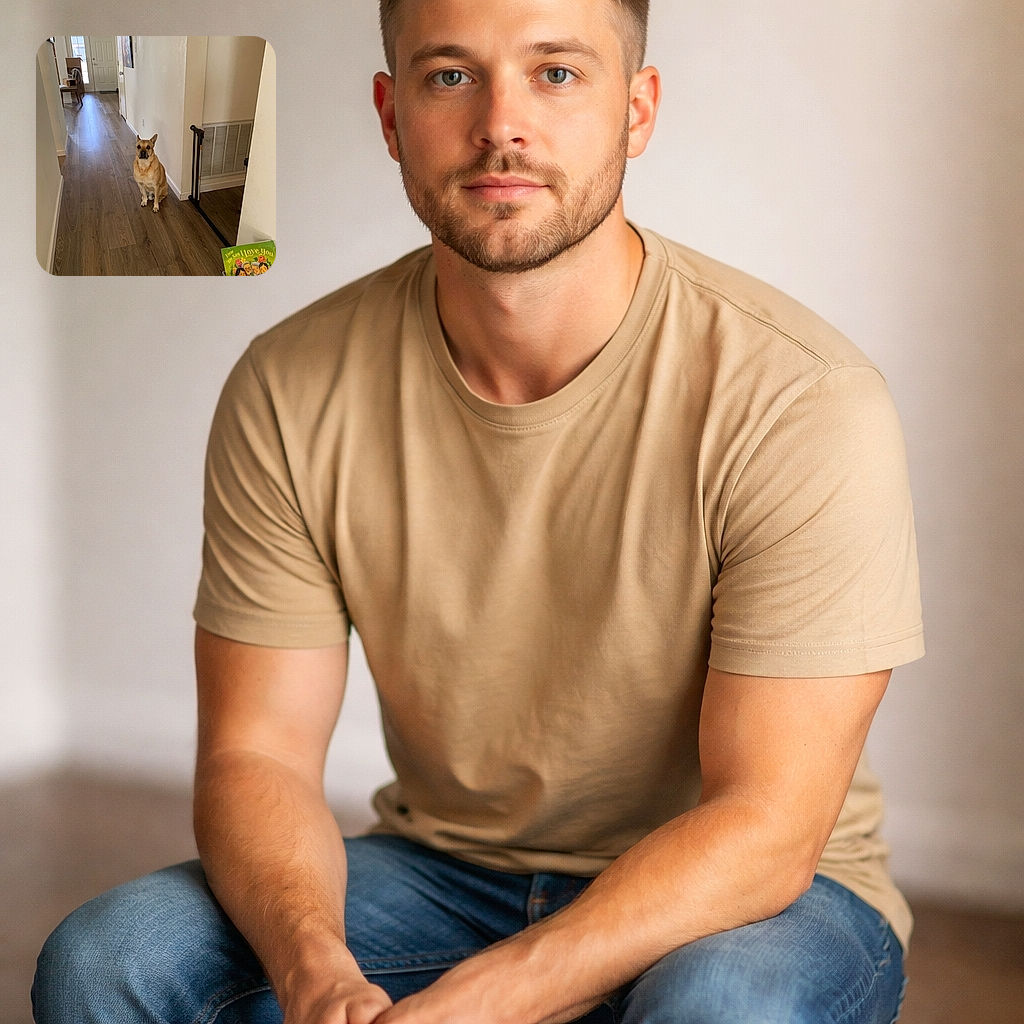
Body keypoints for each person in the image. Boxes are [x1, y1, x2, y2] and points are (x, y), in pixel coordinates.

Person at [33, 1, 924, 1022]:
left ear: (636, 111)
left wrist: (492, 996)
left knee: (722, 1006)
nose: (502, 122)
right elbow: (258, 754)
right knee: (105, 960)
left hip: (755, 897)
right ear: (390, 114)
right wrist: (316, 973)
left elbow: (765, 824)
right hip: (443, 874)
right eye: (451, 76)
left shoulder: (800, 399)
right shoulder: (289, 387)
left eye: (556, 74)